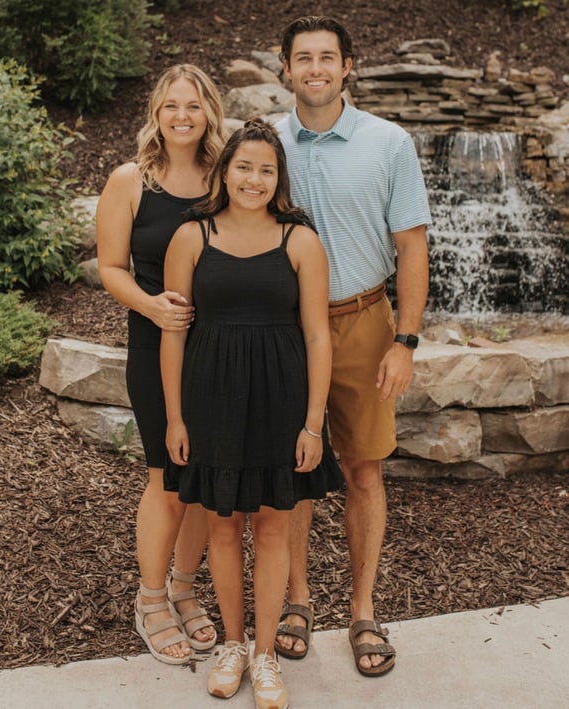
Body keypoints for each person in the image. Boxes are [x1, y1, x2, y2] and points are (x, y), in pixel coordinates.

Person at [161, 118, 341, 709]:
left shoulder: (300, 241)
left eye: (266, 169)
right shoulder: (192, 236)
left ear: (278, 178)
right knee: (220, 525)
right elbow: (173, 334)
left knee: (271, 525)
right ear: (225, 171)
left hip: (280, 399)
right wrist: (175, 418)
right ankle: (231, 645)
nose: (254, 178)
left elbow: (318, 336)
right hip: (210, 396)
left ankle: (265, 656)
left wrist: (313, 423)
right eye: (244, 167)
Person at [274, 16, 431, 677]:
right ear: (284, 69)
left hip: (364, 320)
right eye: (302, 58)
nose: (314, 68)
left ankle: (363, 609)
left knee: (364, 469)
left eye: (326, 58)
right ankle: (297, 600)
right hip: (282, 329)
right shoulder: (263, 143)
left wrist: (405, 341)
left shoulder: (387, 143)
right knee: (292, 471)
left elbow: (412, 246)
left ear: (347, 67)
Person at [95, 64, 226, 664]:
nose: (182, 116)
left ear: (209, 114)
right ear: (157, 111)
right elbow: (111, 268)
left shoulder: (225, 179)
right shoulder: (129, 181)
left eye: (193, 106)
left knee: (201, 482)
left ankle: (183, 587)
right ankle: (150, 600)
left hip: (220, 349)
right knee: (167, 477)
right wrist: (153, 307)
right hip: (155, 345)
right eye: (172, 105)